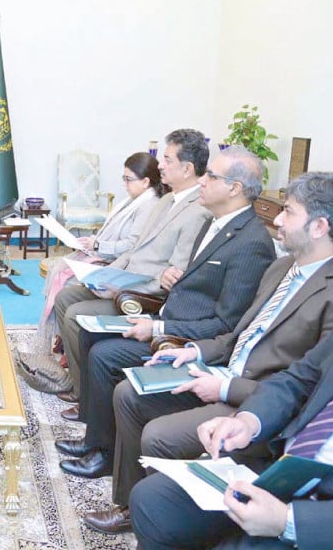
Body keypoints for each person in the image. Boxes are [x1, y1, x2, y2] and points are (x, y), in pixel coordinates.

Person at [78, 171, 333, 535]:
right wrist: (194, 351)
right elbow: (238, 334)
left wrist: (228, 388)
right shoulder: (282, 267)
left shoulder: (326, 290)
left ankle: (158, 512)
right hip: (220, 371)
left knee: (158, 434)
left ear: (319, 226)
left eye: (288, 212)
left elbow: (306, 386)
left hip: (251, 397)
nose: (276, 218)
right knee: (129, 394)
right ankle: (130, 504)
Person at [54, 148, 276, 522]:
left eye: (212, 178)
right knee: (95, 342)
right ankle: (100, 445)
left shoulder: (251, 243)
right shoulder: (215, 223)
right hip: (168, 316)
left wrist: (160, 327)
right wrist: (176, 280)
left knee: (107, 358)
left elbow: (227, 324)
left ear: (235, 188)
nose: (203, 182)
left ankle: (120, 487)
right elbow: (195, 282)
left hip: (188, 339)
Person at [130, 330, 333, 549]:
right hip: (287, 469)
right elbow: (299, 379)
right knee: (151, 501)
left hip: (318, 515)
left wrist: (288, 522)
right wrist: (249, 420)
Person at [53, 128, 212, 398]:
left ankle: (84, 395)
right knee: (66, 296)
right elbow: (135, 249)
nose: (160, 164)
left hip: (141, 294)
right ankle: (78, 380)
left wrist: (120, 288)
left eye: (167, 160)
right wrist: (107, 274)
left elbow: (174, 275)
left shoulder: (198, 211)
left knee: (75, 314)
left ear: (186, 169)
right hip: (123, 280)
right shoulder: (166, 201)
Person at [39, 152, 165, 347]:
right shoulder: (132, 200)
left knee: (67, 278)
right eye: (123, 178)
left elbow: (131, 245)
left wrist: (98, 245)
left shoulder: (149, 205)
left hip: (116, 262)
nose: (124, 183)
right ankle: (63, 337)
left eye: (128, 179)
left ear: (146, 181)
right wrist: (92, 241)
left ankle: (66, 338)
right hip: (103, 253)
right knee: (58, 268)